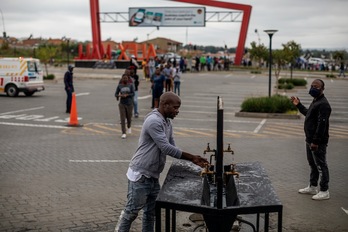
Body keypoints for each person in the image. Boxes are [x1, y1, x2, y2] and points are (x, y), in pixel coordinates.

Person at [115, 92, 208, 232]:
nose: (178, 111)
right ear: (165, 105)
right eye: (175, 108)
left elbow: (172, 146)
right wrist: (192, 158)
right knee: (131, 213)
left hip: (152, 176)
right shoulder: (154, 121)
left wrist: (193, 160)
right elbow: (165, 148)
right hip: (140, 175)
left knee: (150, 213)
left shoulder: (167, 122)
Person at [291, 79, 331, 200]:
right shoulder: (316, 101)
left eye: (316, 86)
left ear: (322, 89)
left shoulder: (323, 104)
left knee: (321, 165)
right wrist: (298, 105)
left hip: (317, 142)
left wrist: (315, 142)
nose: (313, 88)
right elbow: (309, 114)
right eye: (312, 86)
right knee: (313, 164)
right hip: (310, 140)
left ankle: (324, 190)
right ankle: (313, 186)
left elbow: (321, 125)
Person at [115, 74, 135, 139]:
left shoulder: (130, 85)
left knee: (129, 118)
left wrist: (127, 95)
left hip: (129, 104)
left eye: (126, 78)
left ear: (128, 79)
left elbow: (133, 93)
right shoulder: (120, 86)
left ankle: (129, 126)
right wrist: (120, 96)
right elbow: (116, 94)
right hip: (122, 104)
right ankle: (123, 133)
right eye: (124, 78)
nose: (125, 79)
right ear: (122, 79)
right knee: (122, 118)